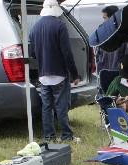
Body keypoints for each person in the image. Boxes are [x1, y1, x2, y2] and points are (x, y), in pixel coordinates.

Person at [29, 0, 80, 143]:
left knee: (47, 107)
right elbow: (67, 53)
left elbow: (32, 53)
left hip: (43, 75)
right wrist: (74, 75)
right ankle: (66, 135)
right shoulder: (60, 26)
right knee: (61, 106)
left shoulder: (34, 28)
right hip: (59, 74)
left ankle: (49, 136)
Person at [95, 5, 128, 72]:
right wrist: (100, 65)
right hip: (104, 73)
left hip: (119, 74)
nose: (103, 21)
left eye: (105, 18)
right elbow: (98, 53)